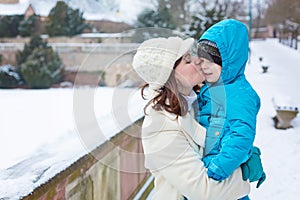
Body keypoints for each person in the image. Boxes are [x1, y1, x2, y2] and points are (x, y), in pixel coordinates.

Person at [132, 36, 263, 200]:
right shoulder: (160, 126)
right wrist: (245, 172)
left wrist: (246, 153)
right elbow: (204, 191)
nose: (197, 60)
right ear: (169, 76)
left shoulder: (200, 101)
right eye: (187, 61)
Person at [196, 19, 266, 199]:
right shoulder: (210, 88)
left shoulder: (239, 94)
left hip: (221, 173)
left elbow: (241, 135)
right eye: (202, 60)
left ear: (229, 61)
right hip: (207, 167)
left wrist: (219, 167)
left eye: (211, 61)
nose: (204, 66)